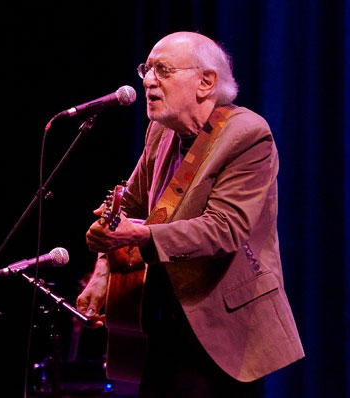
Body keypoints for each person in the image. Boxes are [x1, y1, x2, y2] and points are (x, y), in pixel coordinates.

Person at [76, 31, 304, 398]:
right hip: (158, 323)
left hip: (224, 327)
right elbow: (128, 205)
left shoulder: (248, 135)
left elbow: (225, 229)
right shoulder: (159, 132)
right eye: (146, 70)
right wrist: (103, 270)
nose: (149, 80)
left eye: (163, 70)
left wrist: (139, 236)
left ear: (206, 82)